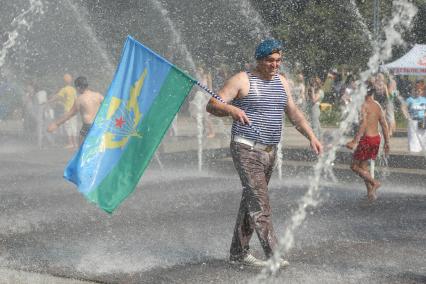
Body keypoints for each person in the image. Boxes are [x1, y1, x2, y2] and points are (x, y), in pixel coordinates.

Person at [206, 38, 323, 267]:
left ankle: (238, 253)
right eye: (270, 60)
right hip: (246, 148)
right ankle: (274, 257)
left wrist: (311, 136)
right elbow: (211, 105)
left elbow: (294, 113)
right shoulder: (242, 80)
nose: (275, 65)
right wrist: (230, 109)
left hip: (269, 152)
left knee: (251, 201)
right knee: (260, 204)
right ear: (259, 60)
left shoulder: (282, 83)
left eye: (278, 60)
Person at [346, 84, 390, 201]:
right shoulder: (377, 105)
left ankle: (375, 182)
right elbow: (384, 125)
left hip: (367, 139)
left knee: (354, 166)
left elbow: (364, 124)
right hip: (376, 139)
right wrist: (387, 143)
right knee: (363, 167)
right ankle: (370, 193)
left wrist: (354, 141)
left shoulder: (363, 105)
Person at [47, 76, 104, 144]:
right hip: (99, 125)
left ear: (78, 87)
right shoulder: (99, 95)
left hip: (87, 127)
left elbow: (69, 114)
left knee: (82, 149)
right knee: (99, 148)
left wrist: (56, 124)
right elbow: (109, 107)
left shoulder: (80, 99)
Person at [45, 73, 78, 148]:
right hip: (74, 111)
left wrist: (49, 101)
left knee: (68, 127)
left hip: (67, 111)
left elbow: (57, 97)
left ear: (64, 81)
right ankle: (75, 143)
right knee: (74, 127)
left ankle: (70, 143)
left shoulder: (64, 89)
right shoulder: (73, 89)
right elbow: (75, 100)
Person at [401, 80, 426, 153]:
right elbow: (403, 107)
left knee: (423, 139)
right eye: (416, 90)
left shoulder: (425, 100)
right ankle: (413, 155)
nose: (418, 92)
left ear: (422, 91)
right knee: (413, 139)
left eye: (419, 90)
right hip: (413, 122)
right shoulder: (410, 99)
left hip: (423, 121)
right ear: (414, 90)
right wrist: (407, 116)